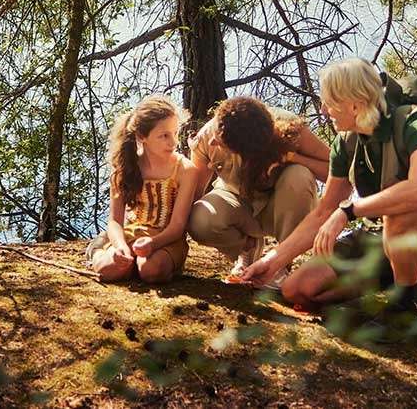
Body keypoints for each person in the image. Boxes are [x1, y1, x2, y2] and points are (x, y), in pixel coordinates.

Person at [239, 58, 417, 338]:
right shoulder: (347, 142)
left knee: (402, 209)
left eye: (329, 102)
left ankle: (404, 307)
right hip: (383, 233)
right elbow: (323, 211)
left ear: (354, 105)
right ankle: (395, 282)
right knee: (298, 290)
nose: (323, 110)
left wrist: (349, 210)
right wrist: (271, 262)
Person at [184, 96, 331, 282]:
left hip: (280, 206)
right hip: (235, 202)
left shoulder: (291, 129)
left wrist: (292, 158)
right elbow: (193, 192)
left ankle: (280, 264)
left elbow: (337, 171)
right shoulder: (207, 136)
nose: (213, 142)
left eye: (222, 144)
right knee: (200, 218)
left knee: (299, 176)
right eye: (215, 133)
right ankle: (247, 248)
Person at [87, 96, 203, 284]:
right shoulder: (125, 168)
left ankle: (147, 264)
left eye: (175, 133)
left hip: (167, 241)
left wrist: (153, 243)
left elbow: (177, 226)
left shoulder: (185, 170)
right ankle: (97, 252)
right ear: (142, 136)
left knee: (151, 270)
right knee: (109, 270)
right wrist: (120, 246)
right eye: (164, 136)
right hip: (131, 234)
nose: (173, 142)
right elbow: (115, 221)